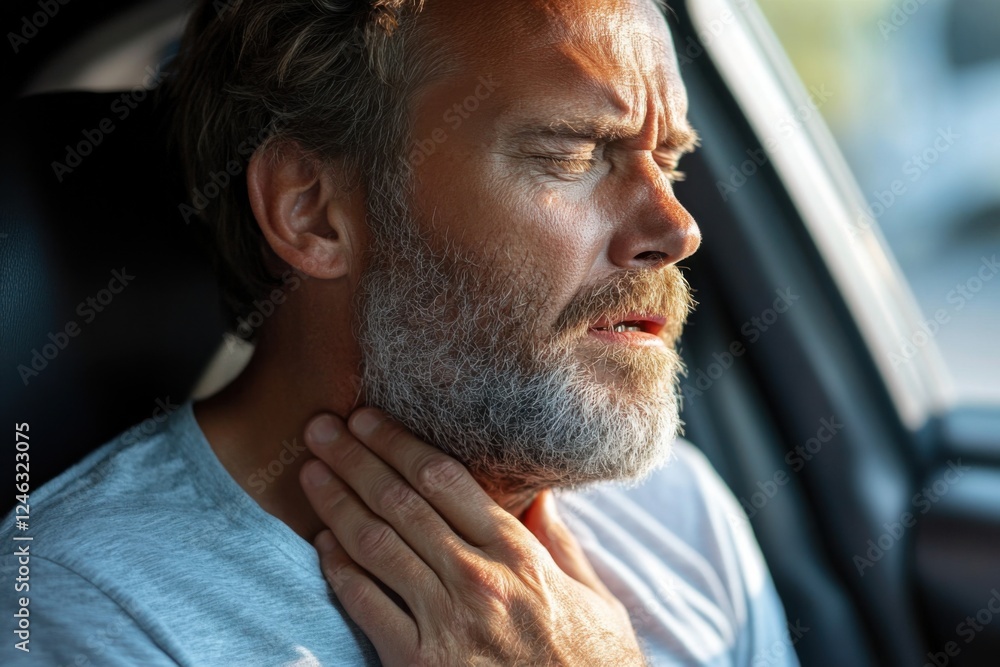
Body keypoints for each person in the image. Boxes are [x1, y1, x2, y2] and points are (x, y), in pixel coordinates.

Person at [1, 0, 800, 664]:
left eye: (671, 160)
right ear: (311, 210)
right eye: (574, 154)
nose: (677, 226)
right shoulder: (81, 608)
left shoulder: (679, 509)